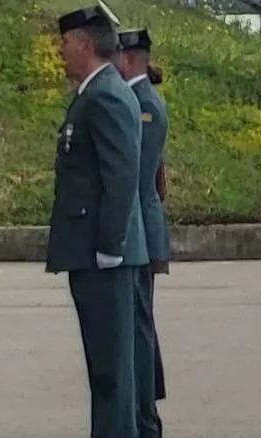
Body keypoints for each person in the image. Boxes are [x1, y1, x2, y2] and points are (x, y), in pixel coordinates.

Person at [49, 4, 149, 438]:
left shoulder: (105, 94)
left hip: (103, 253)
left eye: (65, 43)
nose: (60, 51)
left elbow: (121, 175)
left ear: (85, 44)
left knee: (111, 370)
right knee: (106, 367)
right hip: (95, 249)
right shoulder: (95, 92)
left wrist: (110, 245)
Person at [118, 28, 170, 438]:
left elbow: (138, 179)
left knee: (138, 328)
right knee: (137, 326)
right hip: (137, 227)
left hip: (139, 229)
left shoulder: (144, 104)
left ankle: (146, 419)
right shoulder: (134, 99)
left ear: (130, 59)